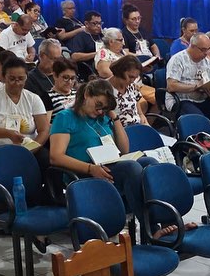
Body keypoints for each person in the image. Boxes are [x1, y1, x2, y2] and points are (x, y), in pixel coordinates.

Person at [49, 79, 157, 238]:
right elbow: (55, 157)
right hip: (84, 172)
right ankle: (151, 231)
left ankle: (166, 222)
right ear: (87, 94)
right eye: (98, 105)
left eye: (105, 108)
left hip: (110, 167)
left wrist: (115, 118)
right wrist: (90, 169)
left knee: (150, 164)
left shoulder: (103, 118)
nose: (100, 111)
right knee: (131, 168)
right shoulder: (65, 117)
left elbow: (124, 150)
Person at [0, 56, 51, 169]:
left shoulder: (34, 99)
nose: (17, 83)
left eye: (21, 79)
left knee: (46, 159)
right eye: (12, 79)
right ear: (3, 77)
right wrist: (9, 134)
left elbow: (44, 130)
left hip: (29, 149)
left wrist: (31, 149)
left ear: (26, 78)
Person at [165, 33, 210, 139]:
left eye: (208, 49)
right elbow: (171, 86)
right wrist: (196, 86)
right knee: (198, 118)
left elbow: (209, 82)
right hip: (181, 99)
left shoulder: (206, 62)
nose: (206, 53)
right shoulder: (178, 59)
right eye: (203, 50)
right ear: (193, 46)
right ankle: (196, 145)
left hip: (201, 97)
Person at [108, 55, 148, 127]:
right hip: (119, 130)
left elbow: (137, 107)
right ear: (120, 71)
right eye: (130, 77)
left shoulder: (131, 86)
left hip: (137, 126)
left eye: (135, 78)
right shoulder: (104, 89)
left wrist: (141, 115)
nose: (132, 81)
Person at [25, 38, 63, 108]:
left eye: (59, 59)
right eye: (54, 59)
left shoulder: (63, 73)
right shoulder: (30, 79)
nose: (57, 63)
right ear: (42, 55)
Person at [69, 11, 105, 79]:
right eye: (95, 23)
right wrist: (97, 54)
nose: (98, 26)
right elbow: (74, 57)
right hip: (90, 69)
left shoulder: (102, 35)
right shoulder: (80, 37)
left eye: (100, 23)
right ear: (86, 23)